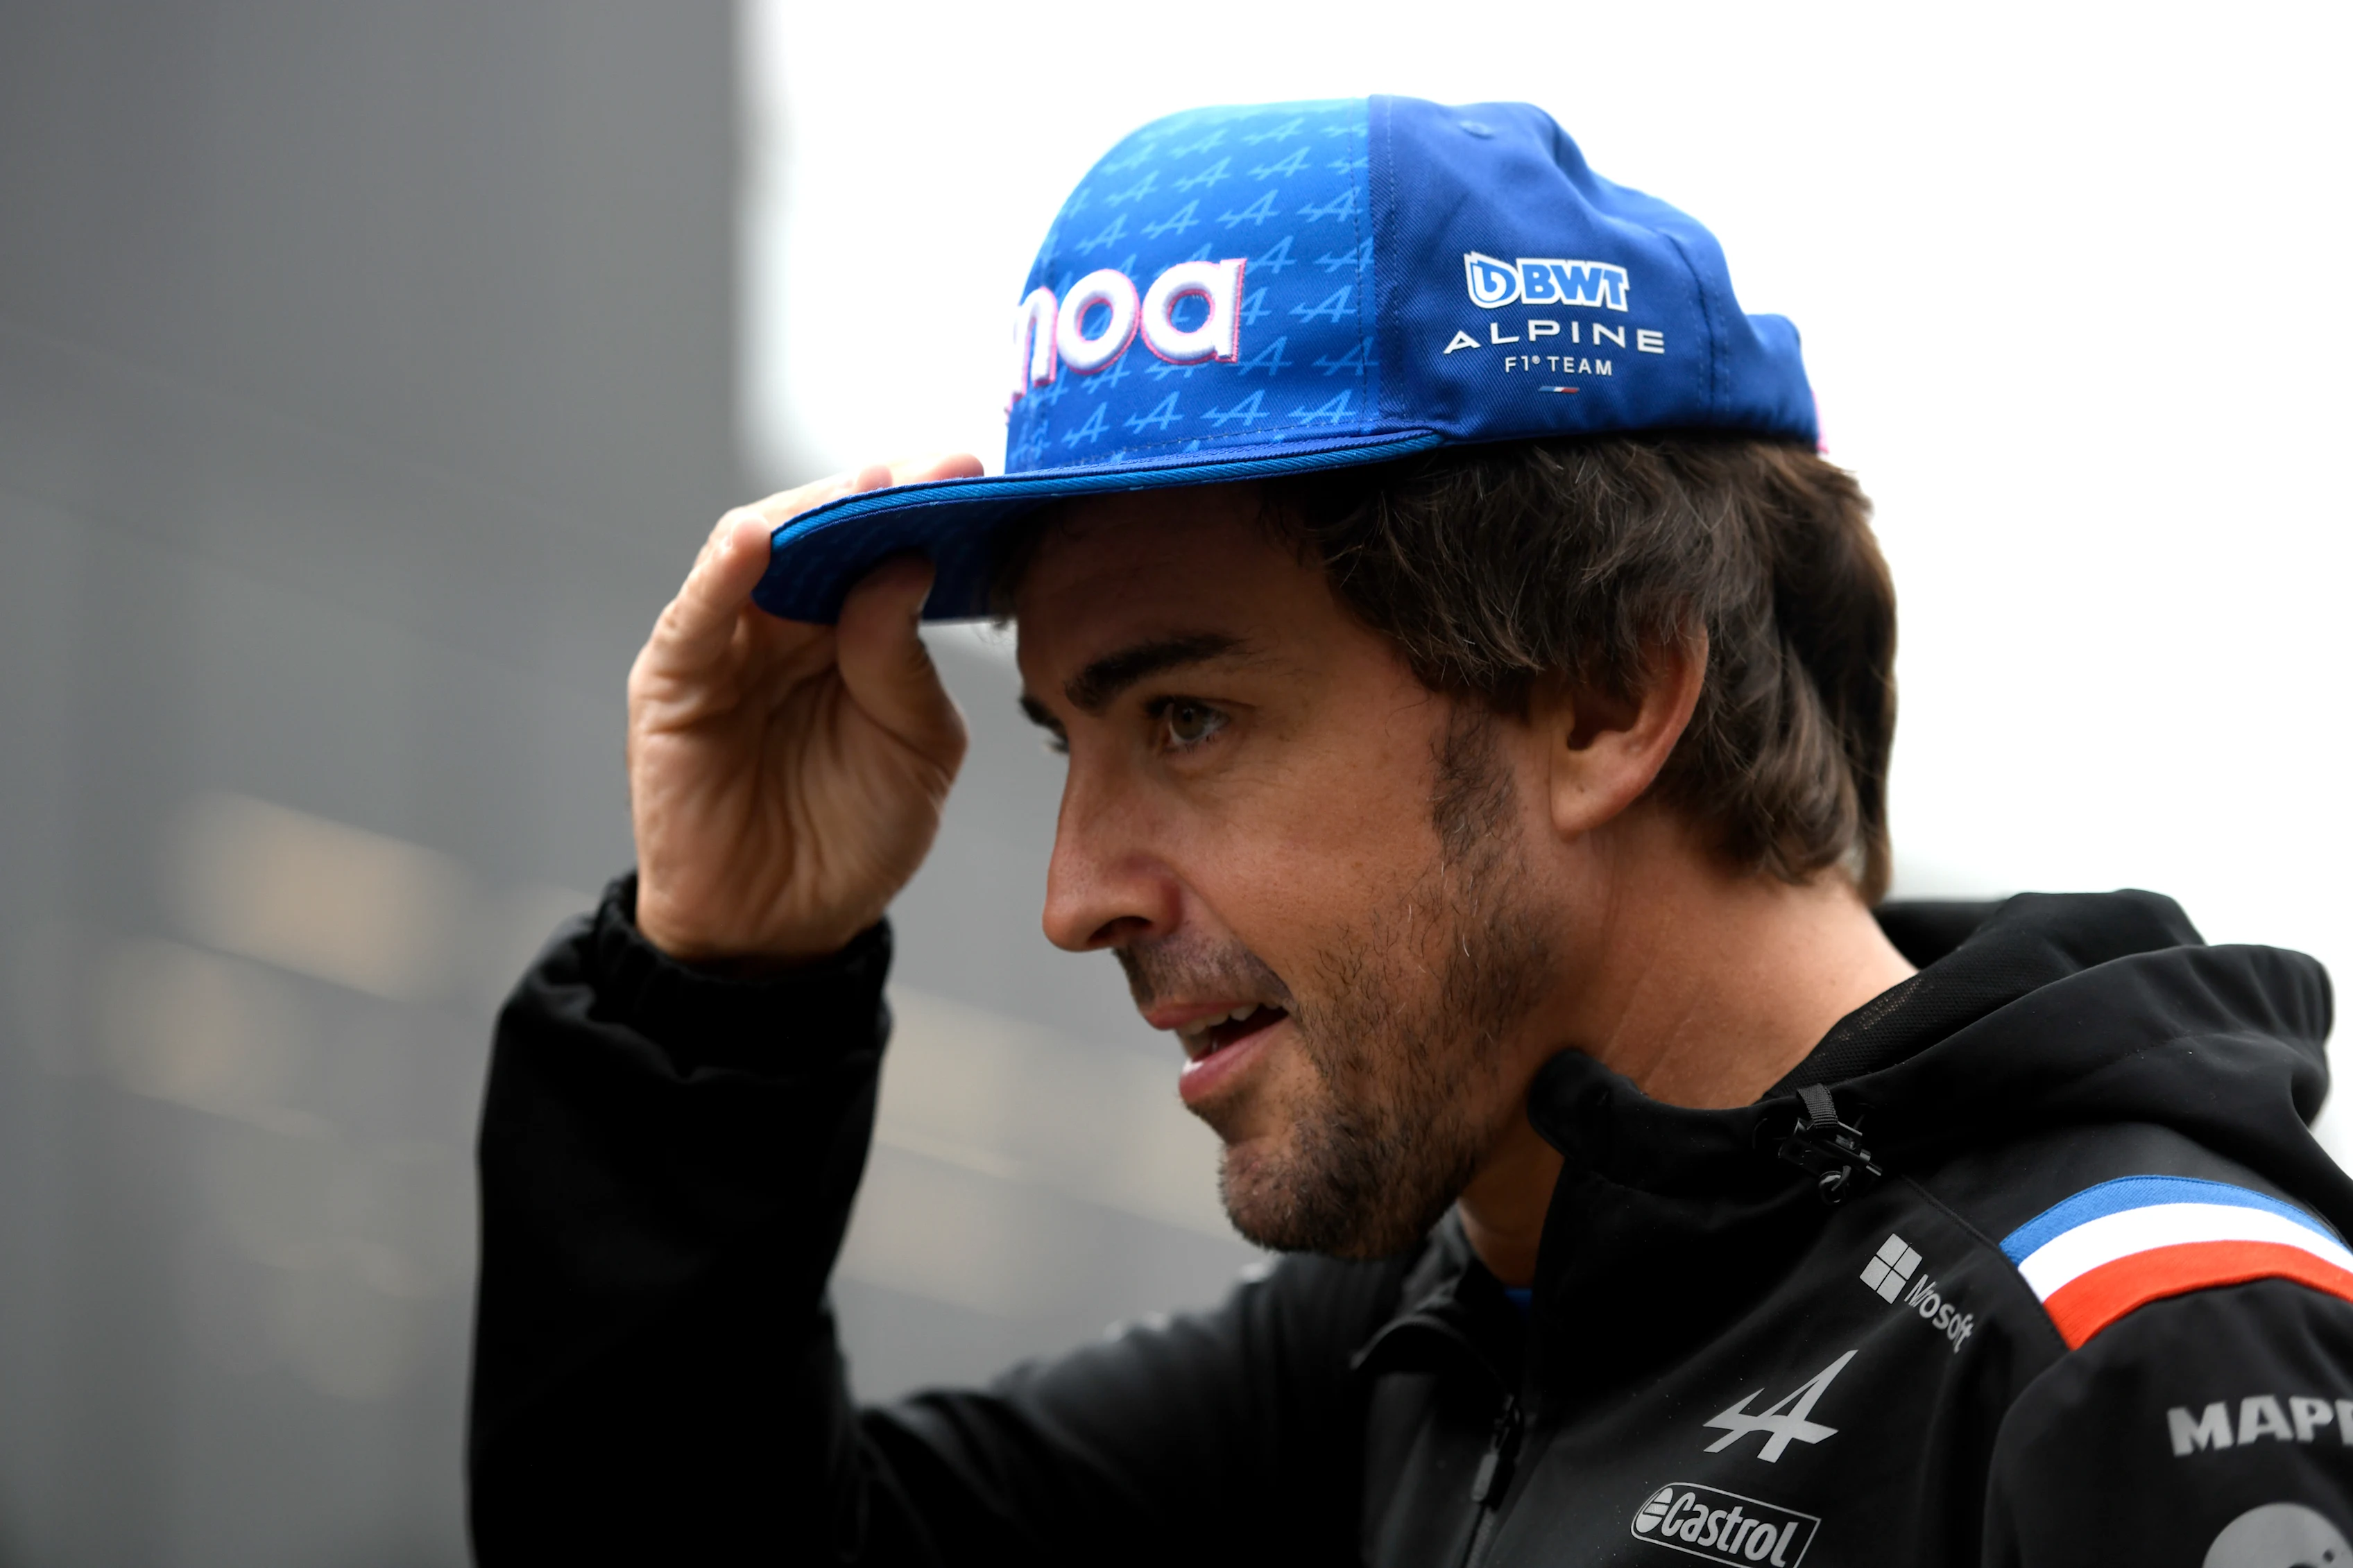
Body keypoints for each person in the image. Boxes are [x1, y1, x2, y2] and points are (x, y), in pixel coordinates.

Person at [467, 97, 2353, 1566]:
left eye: (1189, 717)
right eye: (1068, 740)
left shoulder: (2142, 1353)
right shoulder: (1434, 1345)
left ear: (1608, 695)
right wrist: (717, 995)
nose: (1071, 895)